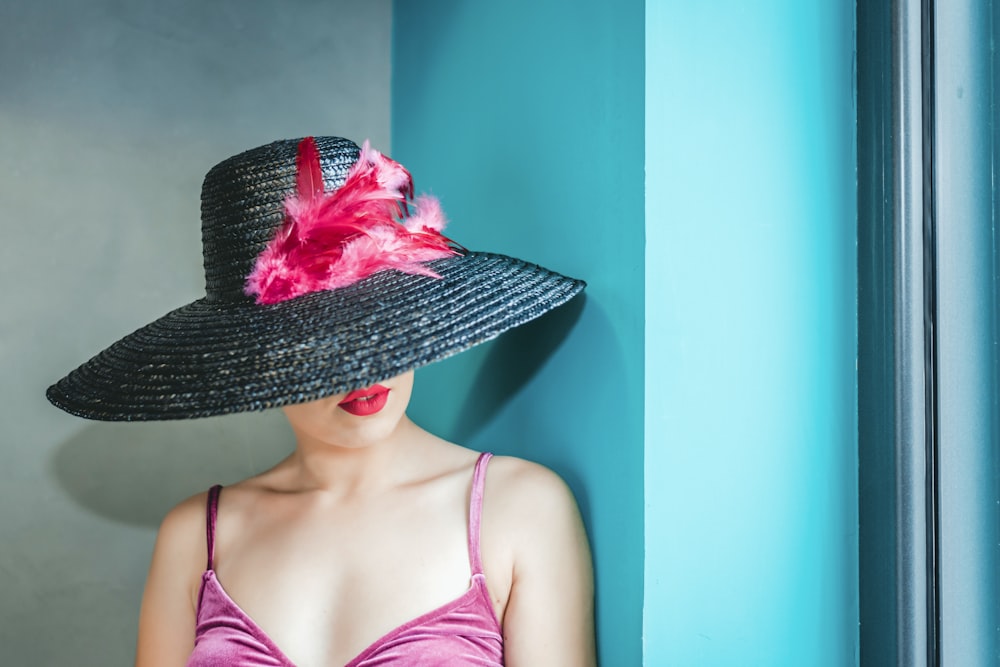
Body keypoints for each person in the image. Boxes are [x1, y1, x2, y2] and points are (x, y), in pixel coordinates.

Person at [47, 136, 595, 666]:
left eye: (377, 321)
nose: (361, 369)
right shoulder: (195, 535)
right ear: (249, 357)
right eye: (311, 341)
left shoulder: (519, 508)